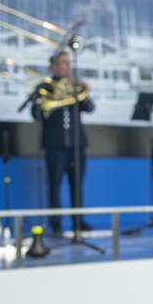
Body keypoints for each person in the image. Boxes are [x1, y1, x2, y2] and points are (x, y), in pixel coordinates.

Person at [28, 51, 96, 234]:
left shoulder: (76, 85)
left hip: (76, 145)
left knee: (77, 185)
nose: (66, 66)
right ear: (53, 66)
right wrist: (39, 102)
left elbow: (89, 108)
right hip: (54, 145)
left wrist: (86, 94)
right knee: (54, 186)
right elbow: (35, 115)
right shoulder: (44, 87)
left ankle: (78, 222)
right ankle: (55, 223)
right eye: (62, 63)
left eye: (68, 63)